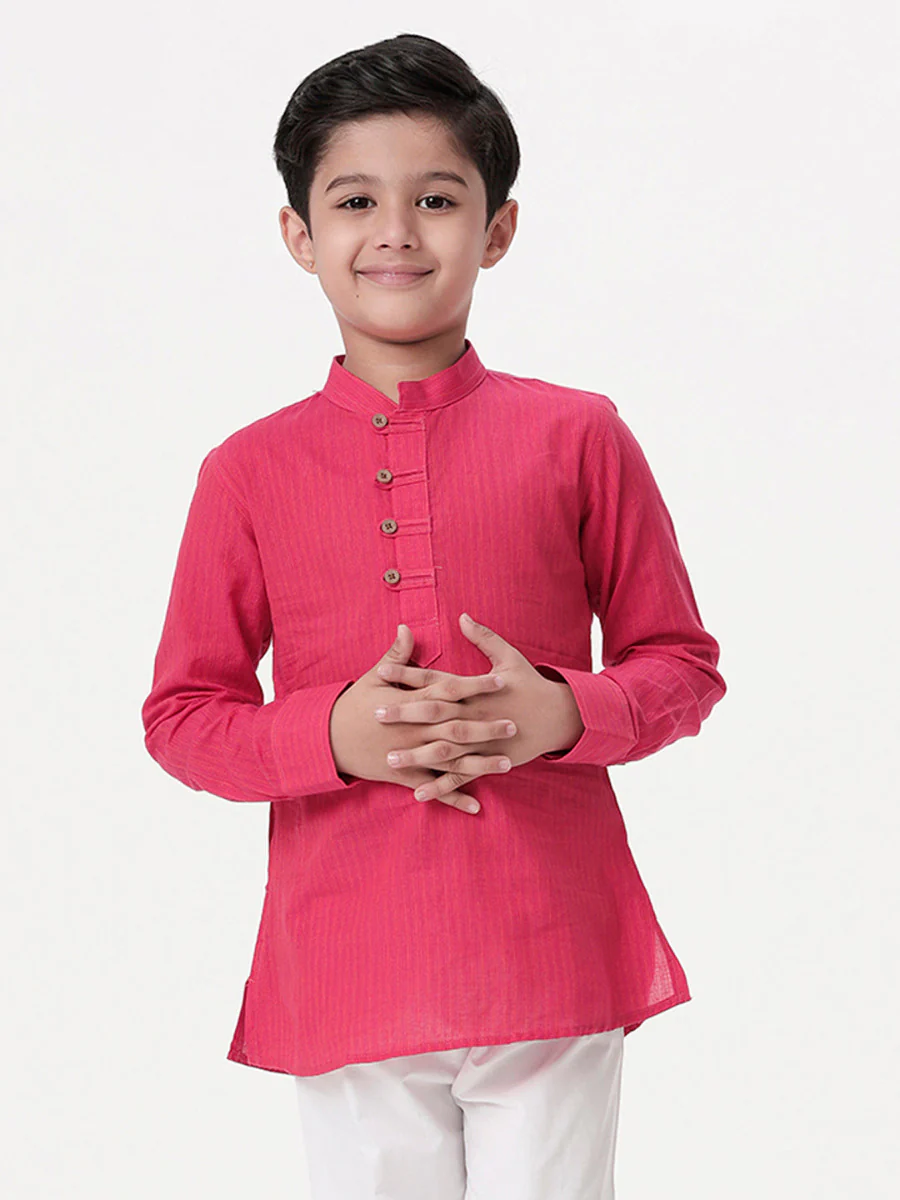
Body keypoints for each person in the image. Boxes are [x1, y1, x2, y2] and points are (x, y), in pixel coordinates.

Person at [141, 31, 726, 1200]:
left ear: (497, 230)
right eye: (356, 200)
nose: (397, 231)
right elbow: (183, 717)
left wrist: (566, 712)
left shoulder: (578, 435)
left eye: (438, 199)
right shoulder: (247, 472)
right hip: (350, 955)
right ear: (300, 235)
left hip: (551, 945)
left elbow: (681, 664)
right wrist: (330, 735)